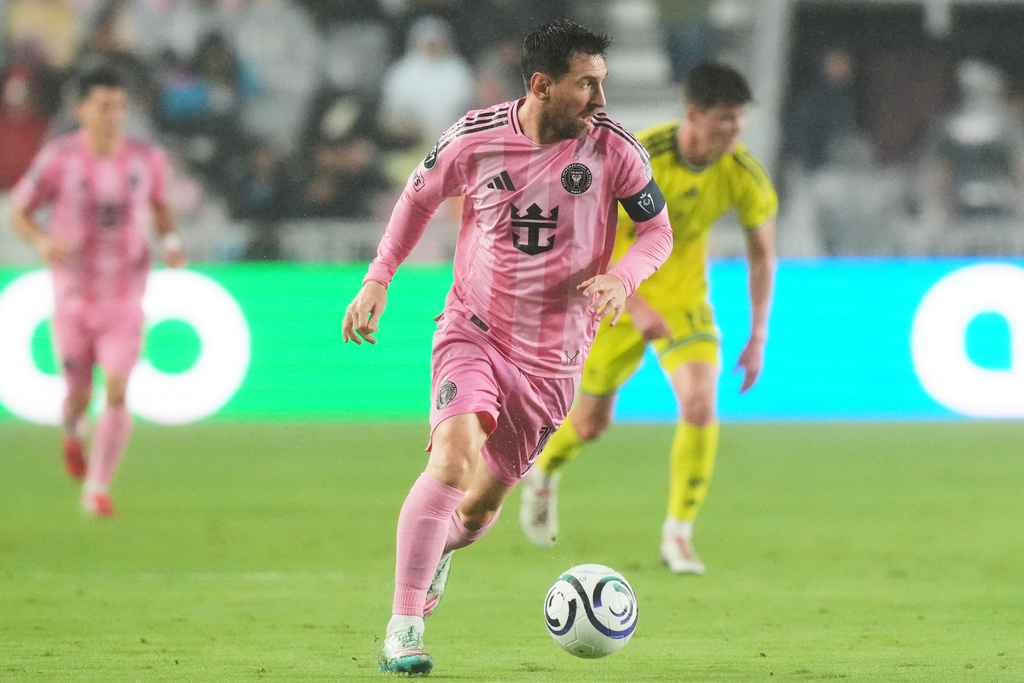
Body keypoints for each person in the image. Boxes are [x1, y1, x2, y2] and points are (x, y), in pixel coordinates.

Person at [341, 20, 673, 675]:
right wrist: (378, 278)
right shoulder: (475, 138)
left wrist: (621, 276)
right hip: (474, 331)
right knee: (452, 457)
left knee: (480, 504)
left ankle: (441, 550)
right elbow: (416, 199)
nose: (601, 100)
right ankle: (404, 626)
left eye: (603, 83)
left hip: (554, 362)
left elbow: (656, 231)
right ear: (543, 86)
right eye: (587, 85)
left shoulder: (615, 151)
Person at [519, 61, 778, 575]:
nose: (735, 129)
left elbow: (762, 255)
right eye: (725, 118)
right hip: (612, 293)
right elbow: (584, 237)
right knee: (590, 425)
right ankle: (544, 470)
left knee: (701, 405)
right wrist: (633, 304)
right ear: (694, 115)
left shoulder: (742, 172)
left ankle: (678, 534)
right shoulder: (639, 158)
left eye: (740, 119)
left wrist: (758, 334)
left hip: (683, 300)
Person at [9, 65, 186, 517]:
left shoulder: (146, 159)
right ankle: (73, 429)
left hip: (124, 296)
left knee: (119, 387)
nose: (113, 115)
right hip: (72, 296)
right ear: (82, 109)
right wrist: (44, 241)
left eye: (119, 106)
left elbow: (162, 206)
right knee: (79, 395)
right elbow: (20, 211)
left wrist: (169, 243)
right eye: (104, 105)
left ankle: (97, 488)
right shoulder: (58, 159)